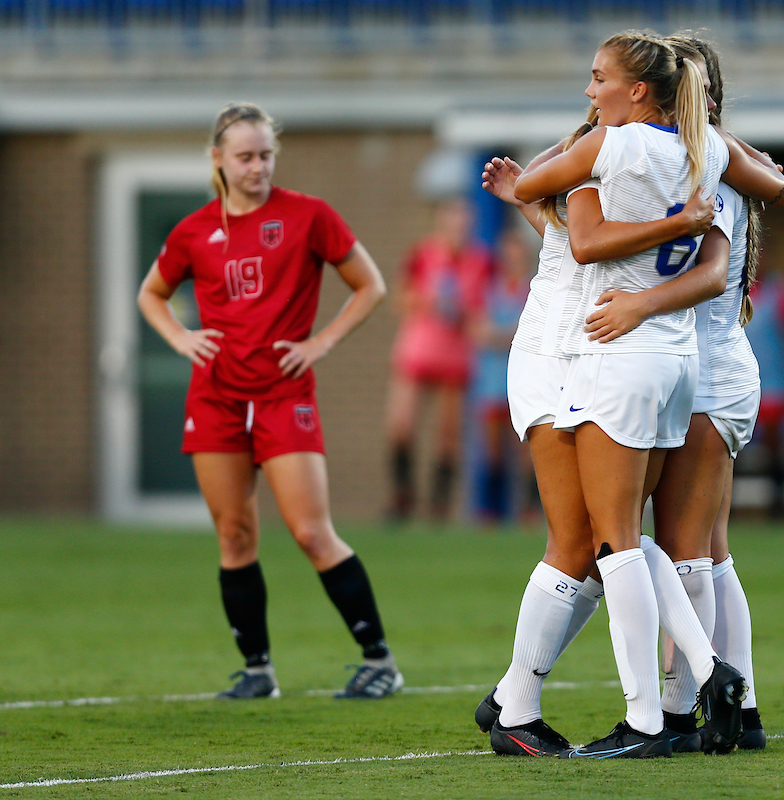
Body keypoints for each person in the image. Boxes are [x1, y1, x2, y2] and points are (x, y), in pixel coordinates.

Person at [508, 31, 784, 758]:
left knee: (637, 546)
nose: (590, 89)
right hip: (686, 360)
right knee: (692, 550)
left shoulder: (636, 151)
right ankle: (732, 700)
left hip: (649, 355)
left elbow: (584, 240)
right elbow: (774, 197)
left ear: (650, 91)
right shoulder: (713, 160)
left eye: (599, 77)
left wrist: (637, 295)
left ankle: (668, 709)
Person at [136, 102, 401, 699]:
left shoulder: (308, 216)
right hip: (215, 397)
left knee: (311, 532)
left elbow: (370, 285)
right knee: (234, 534)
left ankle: (379, 660)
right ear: (218, 160)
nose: (257, 167)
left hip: (285, 395)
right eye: (245, 157)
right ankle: (258, 671)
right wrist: (180, 337)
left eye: (265, 155)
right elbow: (152, 293)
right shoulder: (193, 231)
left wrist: (322, 342)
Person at [385, 196, 493, 521]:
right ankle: (402, 497)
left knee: (448, 435)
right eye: (453, 220)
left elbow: (483, 311)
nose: (459, 228)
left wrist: (466, 315)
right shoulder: (424, 254)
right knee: (401, 424)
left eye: (464, 222)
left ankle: (439, 507)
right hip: (418, 347)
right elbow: (401, 298)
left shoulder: (481, 261)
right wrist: (426, 299)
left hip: (454, 352)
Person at [472, 226, 539, 522]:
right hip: (492, 379)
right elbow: (477, 330)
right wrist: (508, 335)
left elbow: (531, 333)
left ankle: (529, 509)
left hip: (523, 380)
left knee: (526, 449)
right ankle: (491, 511)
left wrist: (500, 335)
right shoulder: (489, 291)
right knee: (493, 449)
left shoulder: (534, 291)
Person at [743, 265, 784, 519]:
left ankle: (778, 504)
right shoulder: (732, 286)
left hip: (775, 384)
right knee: (731, 447)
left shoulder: (781, 291)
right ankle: (728, 510)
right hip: (739, 383)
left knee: (774, 446)